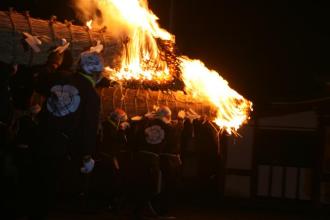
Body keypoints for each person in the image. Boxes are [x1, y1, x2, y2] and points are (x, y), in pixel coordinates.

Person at [33, 50, 102, 219]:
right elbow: (89, 127)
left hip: (41, 137)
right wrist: (87, 154)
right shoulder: (91, 94)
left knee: (36, 186)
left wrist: (52, 64)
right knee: (50, 191)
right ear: (97, 72)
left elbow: (39, 82)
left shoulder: (59, 77)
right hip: (63, 147)